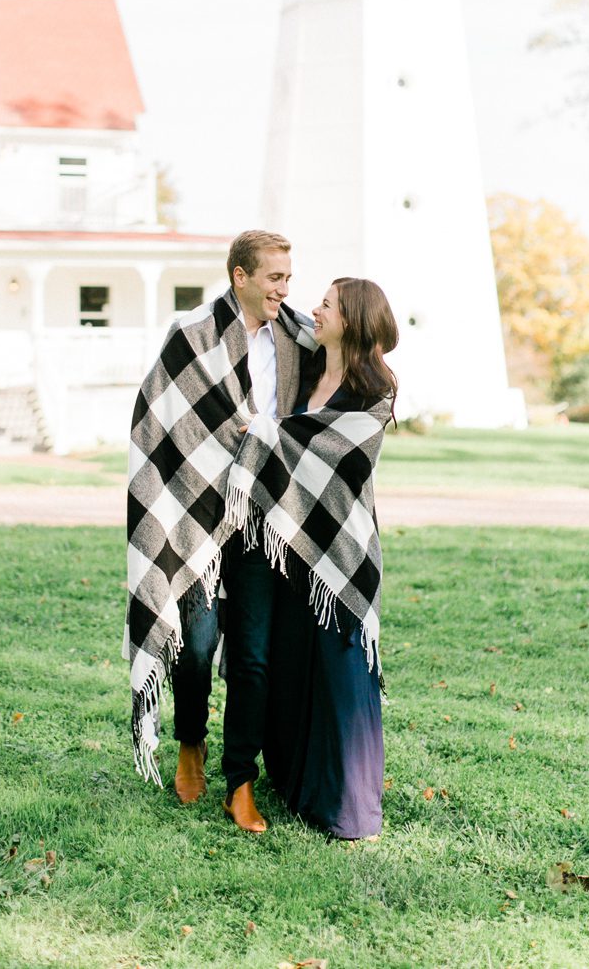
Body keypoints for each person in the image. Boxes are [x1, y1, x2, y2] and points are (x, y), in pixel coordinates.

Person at [124, 230, 314, 831]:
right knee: (199, 642)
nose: (285, 288)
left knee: (254, 656)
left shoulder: (298, 338)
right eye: (274, 277)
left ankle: (240, 780)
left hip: (263, 515)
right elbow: (156, 419)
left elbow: (337, 384)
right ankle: (188, 742)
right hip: (195, 512)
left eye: (288, 276)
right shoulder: (192, 334)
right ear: (241, 276)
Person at [225, 277, 398, 839]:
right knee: (296, 662)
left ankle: (345, 804)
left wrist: (265, 431)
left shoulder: (375, 392)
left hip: (342, 544)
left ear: (352, 319)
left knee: (339, 667)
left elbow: (331, 455)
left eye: (328, 304)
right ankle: (298, 784)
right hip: (294, 541)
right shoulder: (306, 363)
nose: (315, 310)